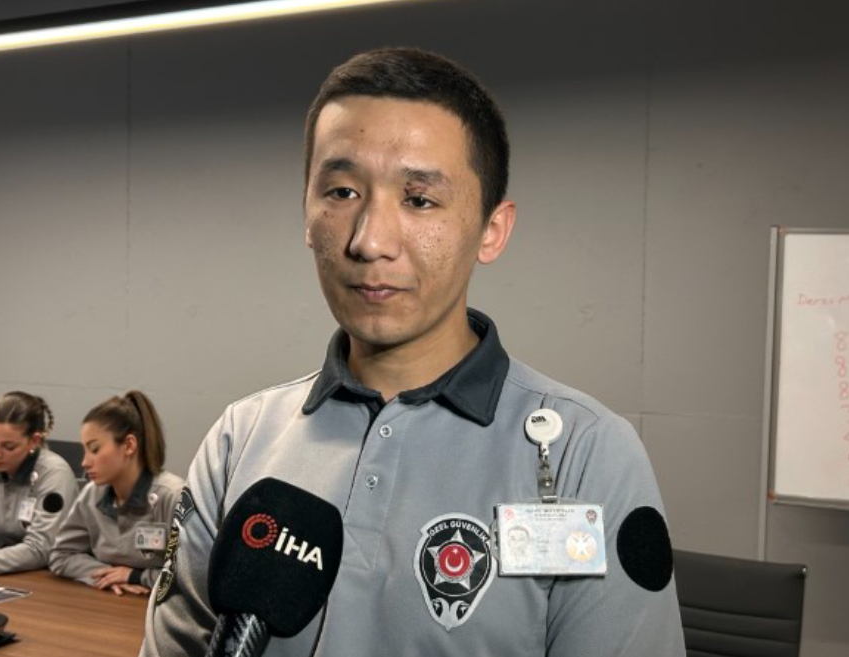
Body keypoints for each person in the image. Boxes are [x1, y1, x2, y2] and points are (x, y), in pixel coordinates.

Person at [142, 47, 684, 656]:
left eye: (419, 199)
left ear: (492, 230)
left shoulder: (587, 455)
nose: (370, 240)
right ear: (307, 214)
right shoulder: (240, 440)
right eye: (342, 191)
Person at [49, 391, 183, 596]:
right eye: (85, 450)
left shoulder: (173, 496)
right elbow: (61, 555)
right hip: (110, 602)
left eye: (95, 449)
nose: (84, 462)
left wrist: (136, 576)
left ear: (129, 445)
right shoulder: (91, 494)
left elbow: (193, 577)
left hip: (159, 607)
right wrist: (106, 575)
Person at [0, 391, 78, 576]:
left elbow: (40, 550)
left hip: (52, 575)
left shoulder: (55, 474)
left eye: (9, 446)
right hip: (8, 571)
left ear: (34, 441)